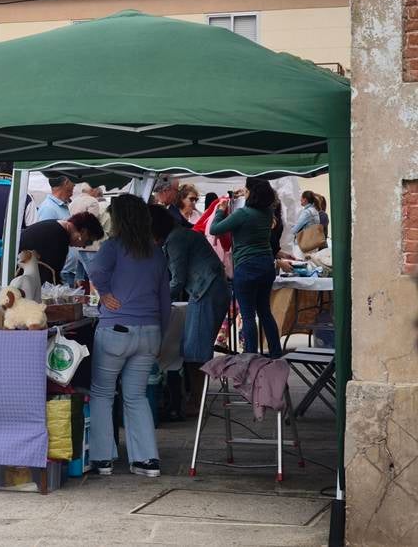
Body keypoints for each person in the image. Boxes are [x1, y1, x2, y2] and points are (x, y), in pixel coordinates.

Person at [87, 194, 170, 478]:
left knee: (102, 394)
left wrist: (106, 294)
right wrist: (162, 335)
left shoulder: (113, 247)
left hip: (115, 330)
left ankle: (102, 459)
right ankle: (147, 460)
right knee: (136, 396)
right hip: (150, 332)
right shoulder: (156, 251)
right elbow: (164, 300)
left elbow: (95, 270)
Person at [150, 205, 229, 420]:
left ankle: (197, 401)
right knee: (193, 349)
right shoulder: (178, 236)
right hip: (208, 290)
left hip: (206, 291)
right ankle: (195, 398)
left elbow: (177, 280)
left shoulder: (176, 239)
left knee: (195, 351)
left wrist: (155, 301)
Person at [209, 182, 283, 358]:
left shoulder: (243, 214)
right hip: (266, 265)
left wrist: (220, 210)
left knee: (248, 315)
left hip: (246, 266)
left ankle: (250, 357)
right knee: (265, 311)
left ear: (251, 192)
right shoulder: (267, 213)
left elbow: (215, 229)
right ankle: (275, 354)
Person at [0, 212, 104, 287]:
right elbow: (50, 279)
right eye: (88, 241)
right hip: (5, 286)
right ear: (83, 232)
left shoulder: (55, 228)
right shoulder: (59, 237)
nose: (83, 246)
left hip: (3, 282)